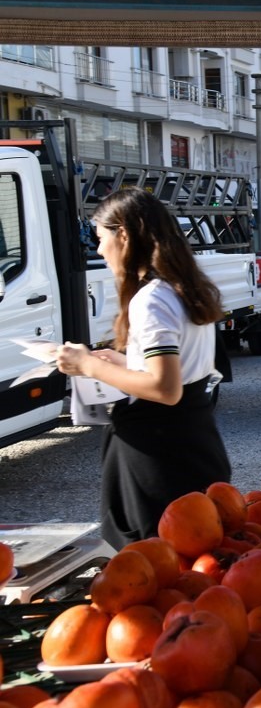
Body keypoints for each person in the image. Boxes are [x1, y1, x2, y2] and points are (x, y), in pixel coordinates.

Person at [54, 188, 230, 550]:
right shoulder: (183, 289)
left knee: (156, 563)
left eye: (100, 238)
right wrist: (122, 363)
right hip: (193, 438)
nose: (99, 250)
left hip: (159, 454)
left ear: (123, 235)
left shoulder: (151, 299)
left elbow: (165, 388)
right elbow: (180, 372)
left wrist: (88, 364)